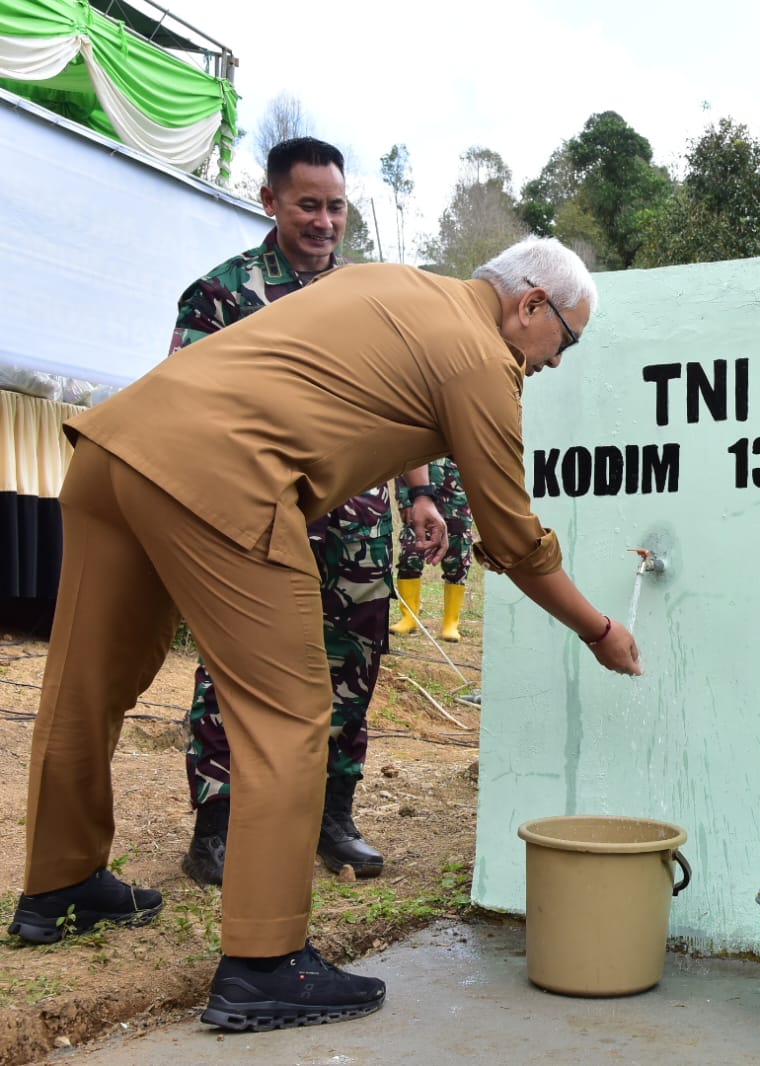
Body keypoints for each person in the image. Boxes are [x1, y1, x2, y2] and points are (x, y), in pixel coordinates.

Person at [7, 234, 640, 1034]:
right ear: (530, 305)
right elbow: (513, 538)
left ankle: (59, 887)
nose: (556, 361)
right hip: (222, 477)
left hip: (115, 448)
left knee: (84, 683)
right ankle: (264, 967)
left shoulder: (394, 285)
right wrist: (599, 630)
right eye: (566, 341)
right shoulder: (481, 357)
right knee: (290, 715)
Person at [168, 137, 433, 886]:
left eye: (336, 206)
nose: (323, 221)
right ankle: (216, 829)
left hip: (353, 524)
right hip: (257, 518)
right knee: (234, 673)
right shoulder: (222, 294)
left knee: (351, 666)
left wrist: (417, 491)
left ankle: (332, 818)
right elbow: (183, 411)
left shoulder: (372, 298)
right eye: (307, 204)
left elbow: (407, 402)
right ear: (271, 201)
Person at [390, 458, 474, 642]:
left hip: (456, 505)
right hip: (419, 505)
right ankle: (409, 617)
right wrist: (404, 501)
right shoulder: (419, 437)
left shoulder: (462, 437)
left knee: (458, 561)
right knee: (409, 557)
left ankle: (451, 623)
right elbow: (405, 463)